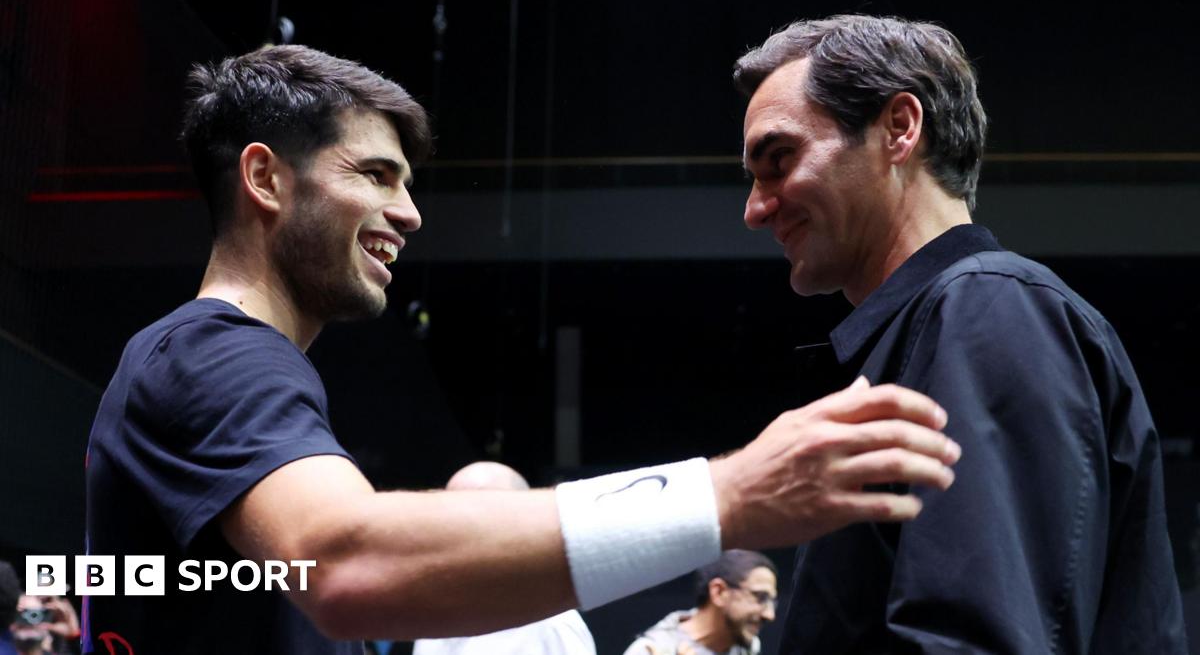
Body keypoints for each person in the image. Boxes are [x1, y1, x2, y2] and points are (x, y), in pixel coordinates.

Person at [83, 44, 961, 654]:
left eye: (408, 184)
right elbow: (346, 564)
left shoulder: (227, 367)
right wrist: (731, 491)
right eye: (375, 175)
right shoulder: (211, 352)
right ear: (265, 178)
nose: (410, 213)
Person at [734, 14, 1187, 653]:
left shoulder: (986, 309)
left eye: (778, 160)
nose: (755, 209)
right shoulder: (955, 320)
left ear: (899, 128)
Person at [412, 462, 596, 655]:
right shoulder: (436, 621)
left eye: (478, 511)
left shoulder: (551, 625)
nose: (460, 526)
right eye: (450, 510)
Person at [623, 550, 776, 655]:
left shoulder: (746, 646)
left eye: (771, 602)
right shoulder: (651, 650)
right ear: (719, 592)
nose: (769, 615)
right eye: (760, 597)